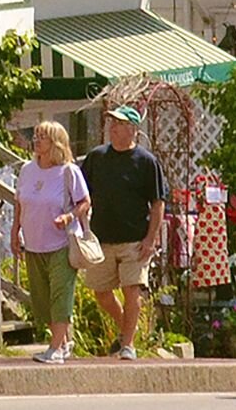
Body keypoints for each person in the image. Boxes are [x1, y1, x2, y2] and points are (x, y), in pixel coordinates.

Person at [81, 103, 167, 359]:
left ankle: (128, 345)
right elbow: (82, 193)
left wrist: (151, 238)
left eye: (119, 124)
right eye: (112, 123)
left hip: (134, 240)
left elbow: (158, 202)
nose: (113, 128)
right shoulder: (97, 157)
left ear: (132, 130)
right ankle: (124, 328)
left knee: (132, 290)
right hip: (101, 238)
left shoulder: (146, 162)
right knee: (101, 293)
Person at [14, 119, 89, 364]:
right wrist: (15, 232)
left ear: (55, 142)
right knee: (42, 299)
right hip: (34, 244)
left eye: (42, 137)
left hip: (61, 244)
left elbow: (85, 202)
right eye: (35, 136)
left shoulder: (68, 171)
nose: (36, 141)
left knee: (60, 295)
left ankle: (55, 349)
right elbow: (19, 203)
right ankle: (64, 343)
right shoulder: (27, 169)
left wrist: (69, 216)